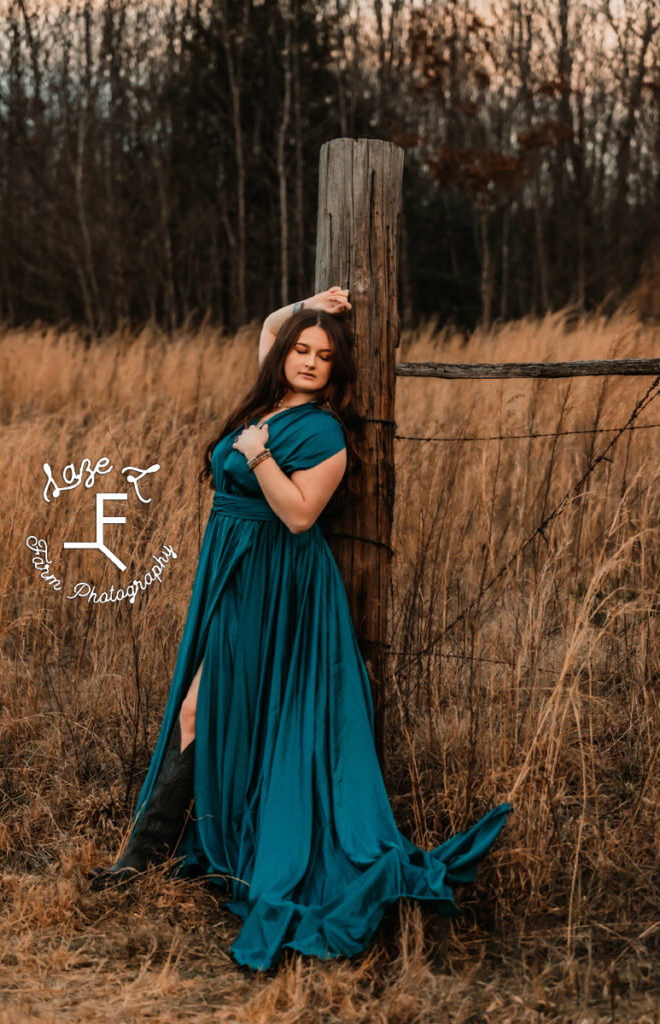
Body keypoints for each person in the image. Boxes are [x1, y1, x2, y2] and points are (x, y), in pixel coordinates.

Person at [87, 286, 511, 971]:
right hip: (233, 572)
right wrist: (310, 304)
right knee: (209, 709)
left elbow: (300, 516)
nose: (309, 361)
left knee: (204, 706)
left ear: (335, 371)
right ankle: (154, 855)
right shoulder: (263, 406)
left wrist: (258, 457)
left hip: (280, 584)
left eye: (322, 356)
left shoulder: (321, 432)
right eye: (301, 351)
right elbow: (267, 325)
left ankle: (141, 860)